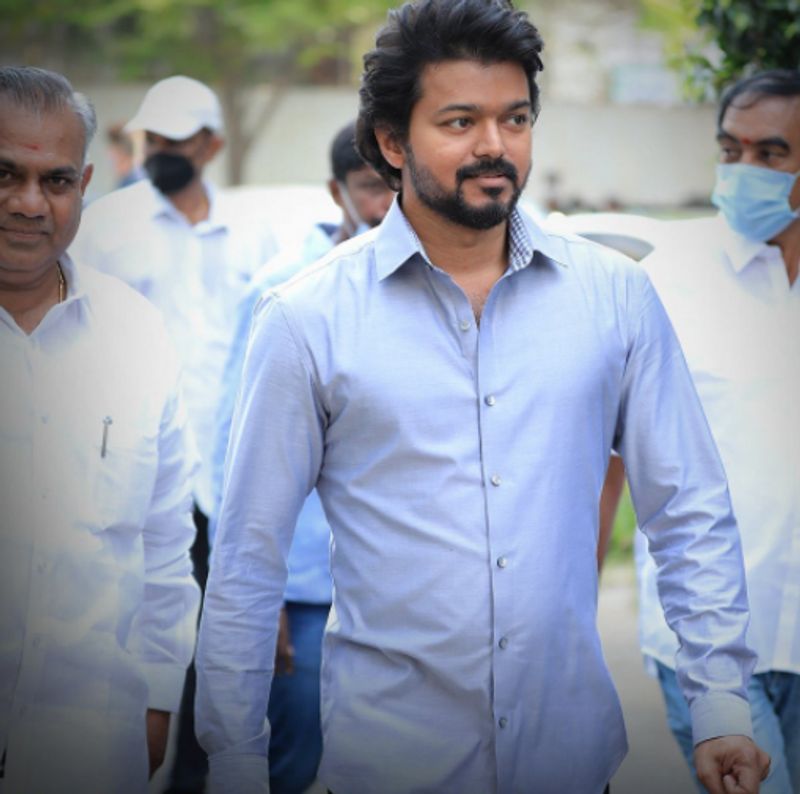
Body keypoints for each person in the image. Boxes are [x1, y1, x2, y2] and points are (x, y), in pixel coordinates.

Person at [195, 2, 770, 793]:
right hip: (389, 767)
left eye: (516, 118)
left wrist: (721, 705)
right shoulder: (307, 319)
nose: (495, 145)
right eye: (460, 121)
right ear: (391, 141)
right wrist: (234, 759)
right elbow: (248, 556)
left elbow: (688, 509)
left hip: (571, 766)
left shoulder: (614, 298)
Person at [70, 74, 278, 794]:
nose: (159, 150)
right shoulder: (105, 228)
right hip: (139, 466)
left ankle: (197, 775)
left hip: (228, 470)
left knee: (220, 637)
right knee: (140, 626)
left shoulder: (253, 234)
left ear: (211, 145)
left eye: (176, 140)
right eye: (151, 137)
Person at [0, 66, 199, 793]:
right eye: (5, 174)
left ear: (84, 186)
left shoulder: (136, 333)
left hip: (89, 745)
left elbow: (164, 546)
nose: (30, 203)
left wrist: (157, 702)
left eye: (55, 181)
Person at [210, 120, 393, 793]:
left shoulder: (427, 286)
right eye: (369, 187)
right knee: (294, 763)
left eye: (395, 185)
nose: (386, 204)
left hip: (391, 591)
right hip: (305, 587)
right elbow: (232, 450)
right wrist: (269, 603)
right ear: (335, 191)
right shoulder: (287, 290)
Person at [634, 69, 800, 794]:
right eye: (731, 150)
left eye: (771, 153)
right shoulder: (672, 277)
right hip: (709, 643)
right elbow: (615, 455)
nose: (742, 170)